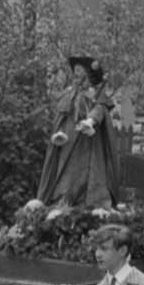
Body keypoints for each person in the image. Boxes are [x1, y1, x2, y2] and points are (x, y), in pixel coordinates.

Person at [36, 56, 120, 207]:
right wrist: (58, 133)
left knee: (86, 173)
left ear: (87, 74)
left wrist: (91, 121)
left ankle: (87, 202)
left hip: (88, 143)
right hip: (68, 142)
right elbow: (62, 115)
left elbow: (101, 109)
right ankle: (62, 200)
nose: (75, 73)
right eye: (74, 70)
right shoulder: (69, 95)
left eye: (79, 70)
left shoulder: (95, 95)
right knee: (66, 173)